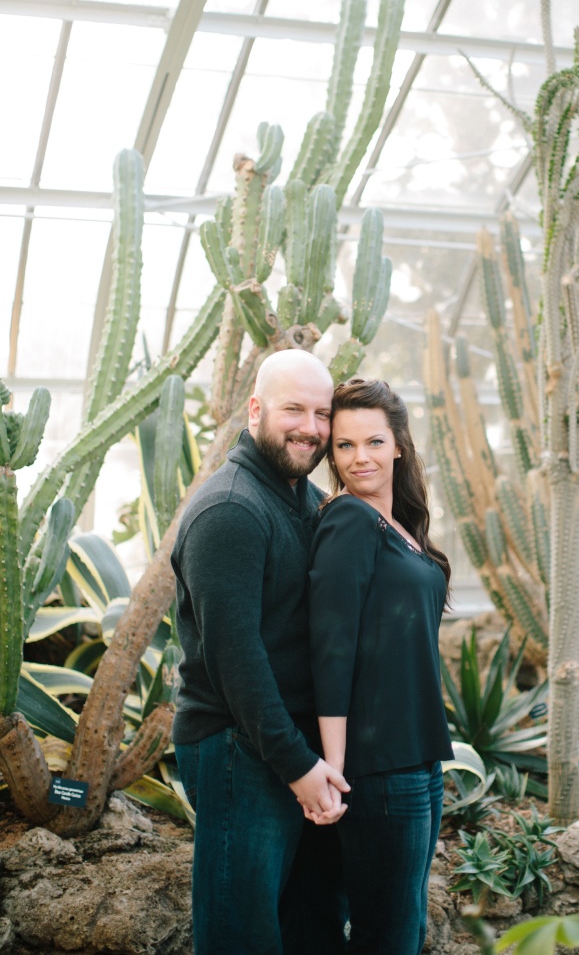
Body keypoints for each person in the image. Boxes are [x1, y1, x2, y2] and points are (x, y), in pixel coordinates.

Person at [171, 349, 349, 955]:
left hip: (284, 749)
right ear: (255, 410)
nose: (311, 428)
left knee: (302, 927)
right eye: (294, 409)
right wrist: (299, 767)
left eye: (322, 414)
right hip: (236, 751)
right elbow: (235, 661)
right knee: (240, 936)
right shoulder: (231, 510)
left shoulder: (299, 496)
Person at [307, 377, 453, 954]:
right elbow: (331, 648)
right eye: (344, 446)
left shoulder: (400, 526)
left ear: (398, 445)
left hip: (418, 757)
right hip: (378, 769)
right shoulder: (347, 522)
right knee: (387, 937)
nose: (359, 458)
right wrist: (335, 769)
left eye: (372, 442)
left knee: (407, 927)